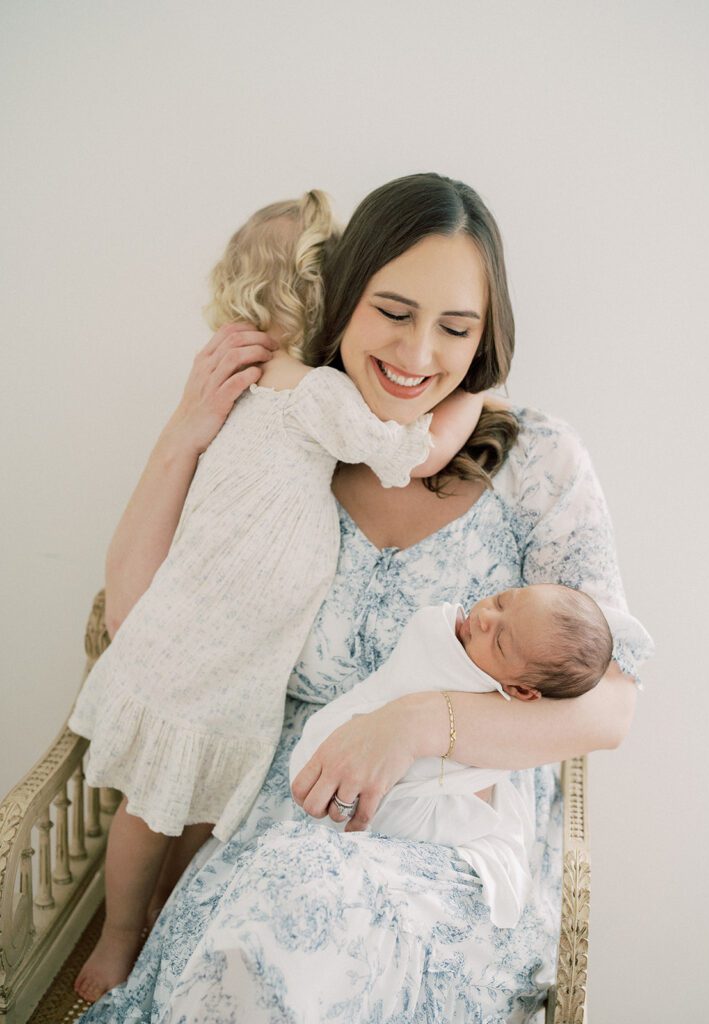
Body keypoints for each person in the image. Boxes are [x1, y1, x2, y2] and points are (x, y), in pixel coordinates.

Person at [80, 172, 653, 1024]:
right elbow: (135, 620)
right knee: (265, 932)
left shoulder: (542, 461)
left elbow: (609, 711)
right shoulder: (287, 440)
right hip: (277, 819)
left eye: (455, 328)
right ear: (343, 302)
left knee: (318, 927)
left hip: (451, 840)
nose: (419, 354)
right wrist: (183, 433)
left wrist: (420, 722)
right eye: (393, 312)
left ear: (485, 339)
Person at [69, 190, 485, 1004]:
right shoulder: (308, 393)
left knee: (176, 808)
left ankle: (150, 921)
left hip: (224, 654)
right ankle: (123, 936)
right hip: (202, 650)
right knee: (160, 813)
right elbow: (408, 454)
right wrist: (470, 400)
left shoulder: (264, 386)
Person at [289, 583, 615, 929]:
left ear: (521, 691)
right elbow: (422, 647)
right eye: (503, 600)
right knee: (476, 816)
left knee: (447, 815)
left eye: (501, 643)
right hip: (332, 747)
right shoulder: (438, 632)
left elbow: (609, 720)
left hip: (382, 801)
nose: (486, 617)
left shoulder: (504, 712)